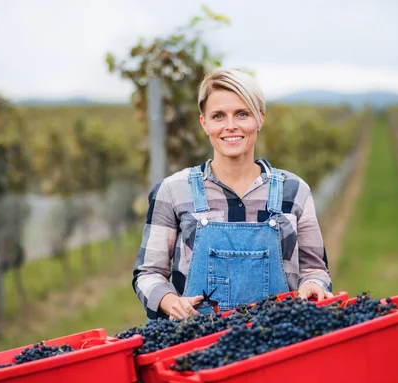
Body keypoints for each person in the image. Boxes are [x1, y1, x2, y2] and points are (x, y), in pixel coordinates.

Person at [133, 67, 333, 320]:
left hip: (279, 340)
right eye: (218, 116)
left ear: (260, 118)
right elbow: (148, 273)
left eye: (242, 114)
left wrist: (313, 285)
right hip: (197, 343)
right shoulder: (173, 191)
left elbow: (315, 269)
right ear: (204, 123)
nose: (230, 126)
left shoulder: (293, 191)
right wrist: (170, 301)